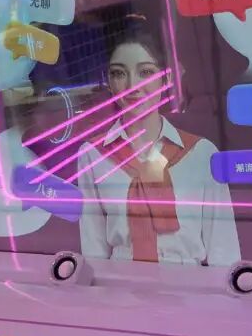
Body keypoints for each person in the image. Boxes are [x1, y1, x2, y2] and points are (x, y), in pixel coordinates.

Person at [76, 16, 240, 266]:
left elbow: (223, 250)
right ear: (108, 81)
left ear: (166, 78)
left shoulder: (201, 154)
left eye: (145, 72)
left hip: (190, 283)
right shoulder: (92, 155)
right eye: (119, 73)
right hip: (121, 283)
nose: (132, 86)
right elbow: (93, 250)